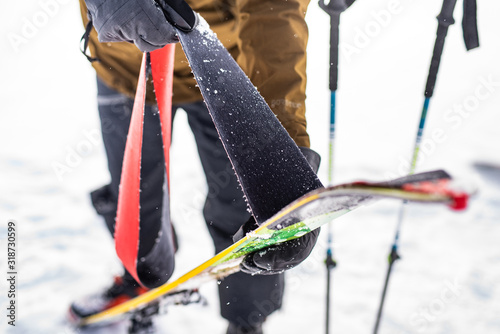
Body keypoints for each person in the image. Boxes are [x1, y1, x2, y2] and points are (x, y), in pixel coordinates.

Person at [70, 0, 321, 333]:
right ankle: (141, 282)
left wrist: (283, 158)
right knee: (133, 201)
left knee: (247, 206)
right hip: (126, 67)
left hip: (222, 60)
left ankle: (247, 319)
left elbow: (273, 11)